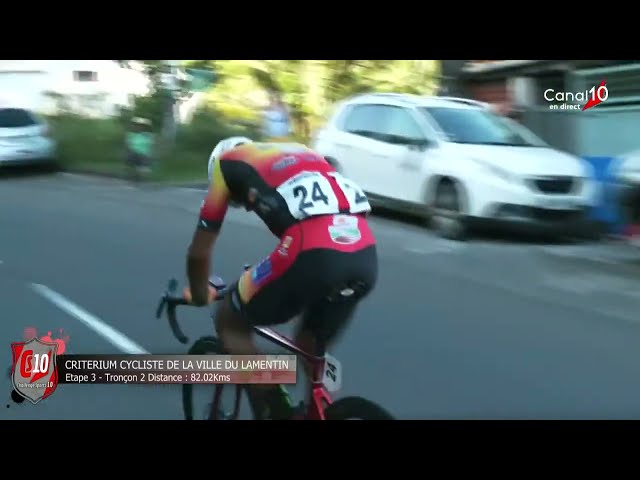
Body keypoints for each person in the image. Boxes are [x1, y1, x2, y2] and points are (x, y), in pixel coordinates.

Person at [184, 137, 378, 419]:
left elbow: (199, 254)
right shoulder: (301, 153)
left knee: (230, 320)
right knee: (309, 340)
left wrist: (200, 294)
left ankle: (274, 410)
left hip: (310, 251)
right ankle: (320, 408)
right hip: (363, 252)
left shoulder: (226, 165)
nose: (244, 206)